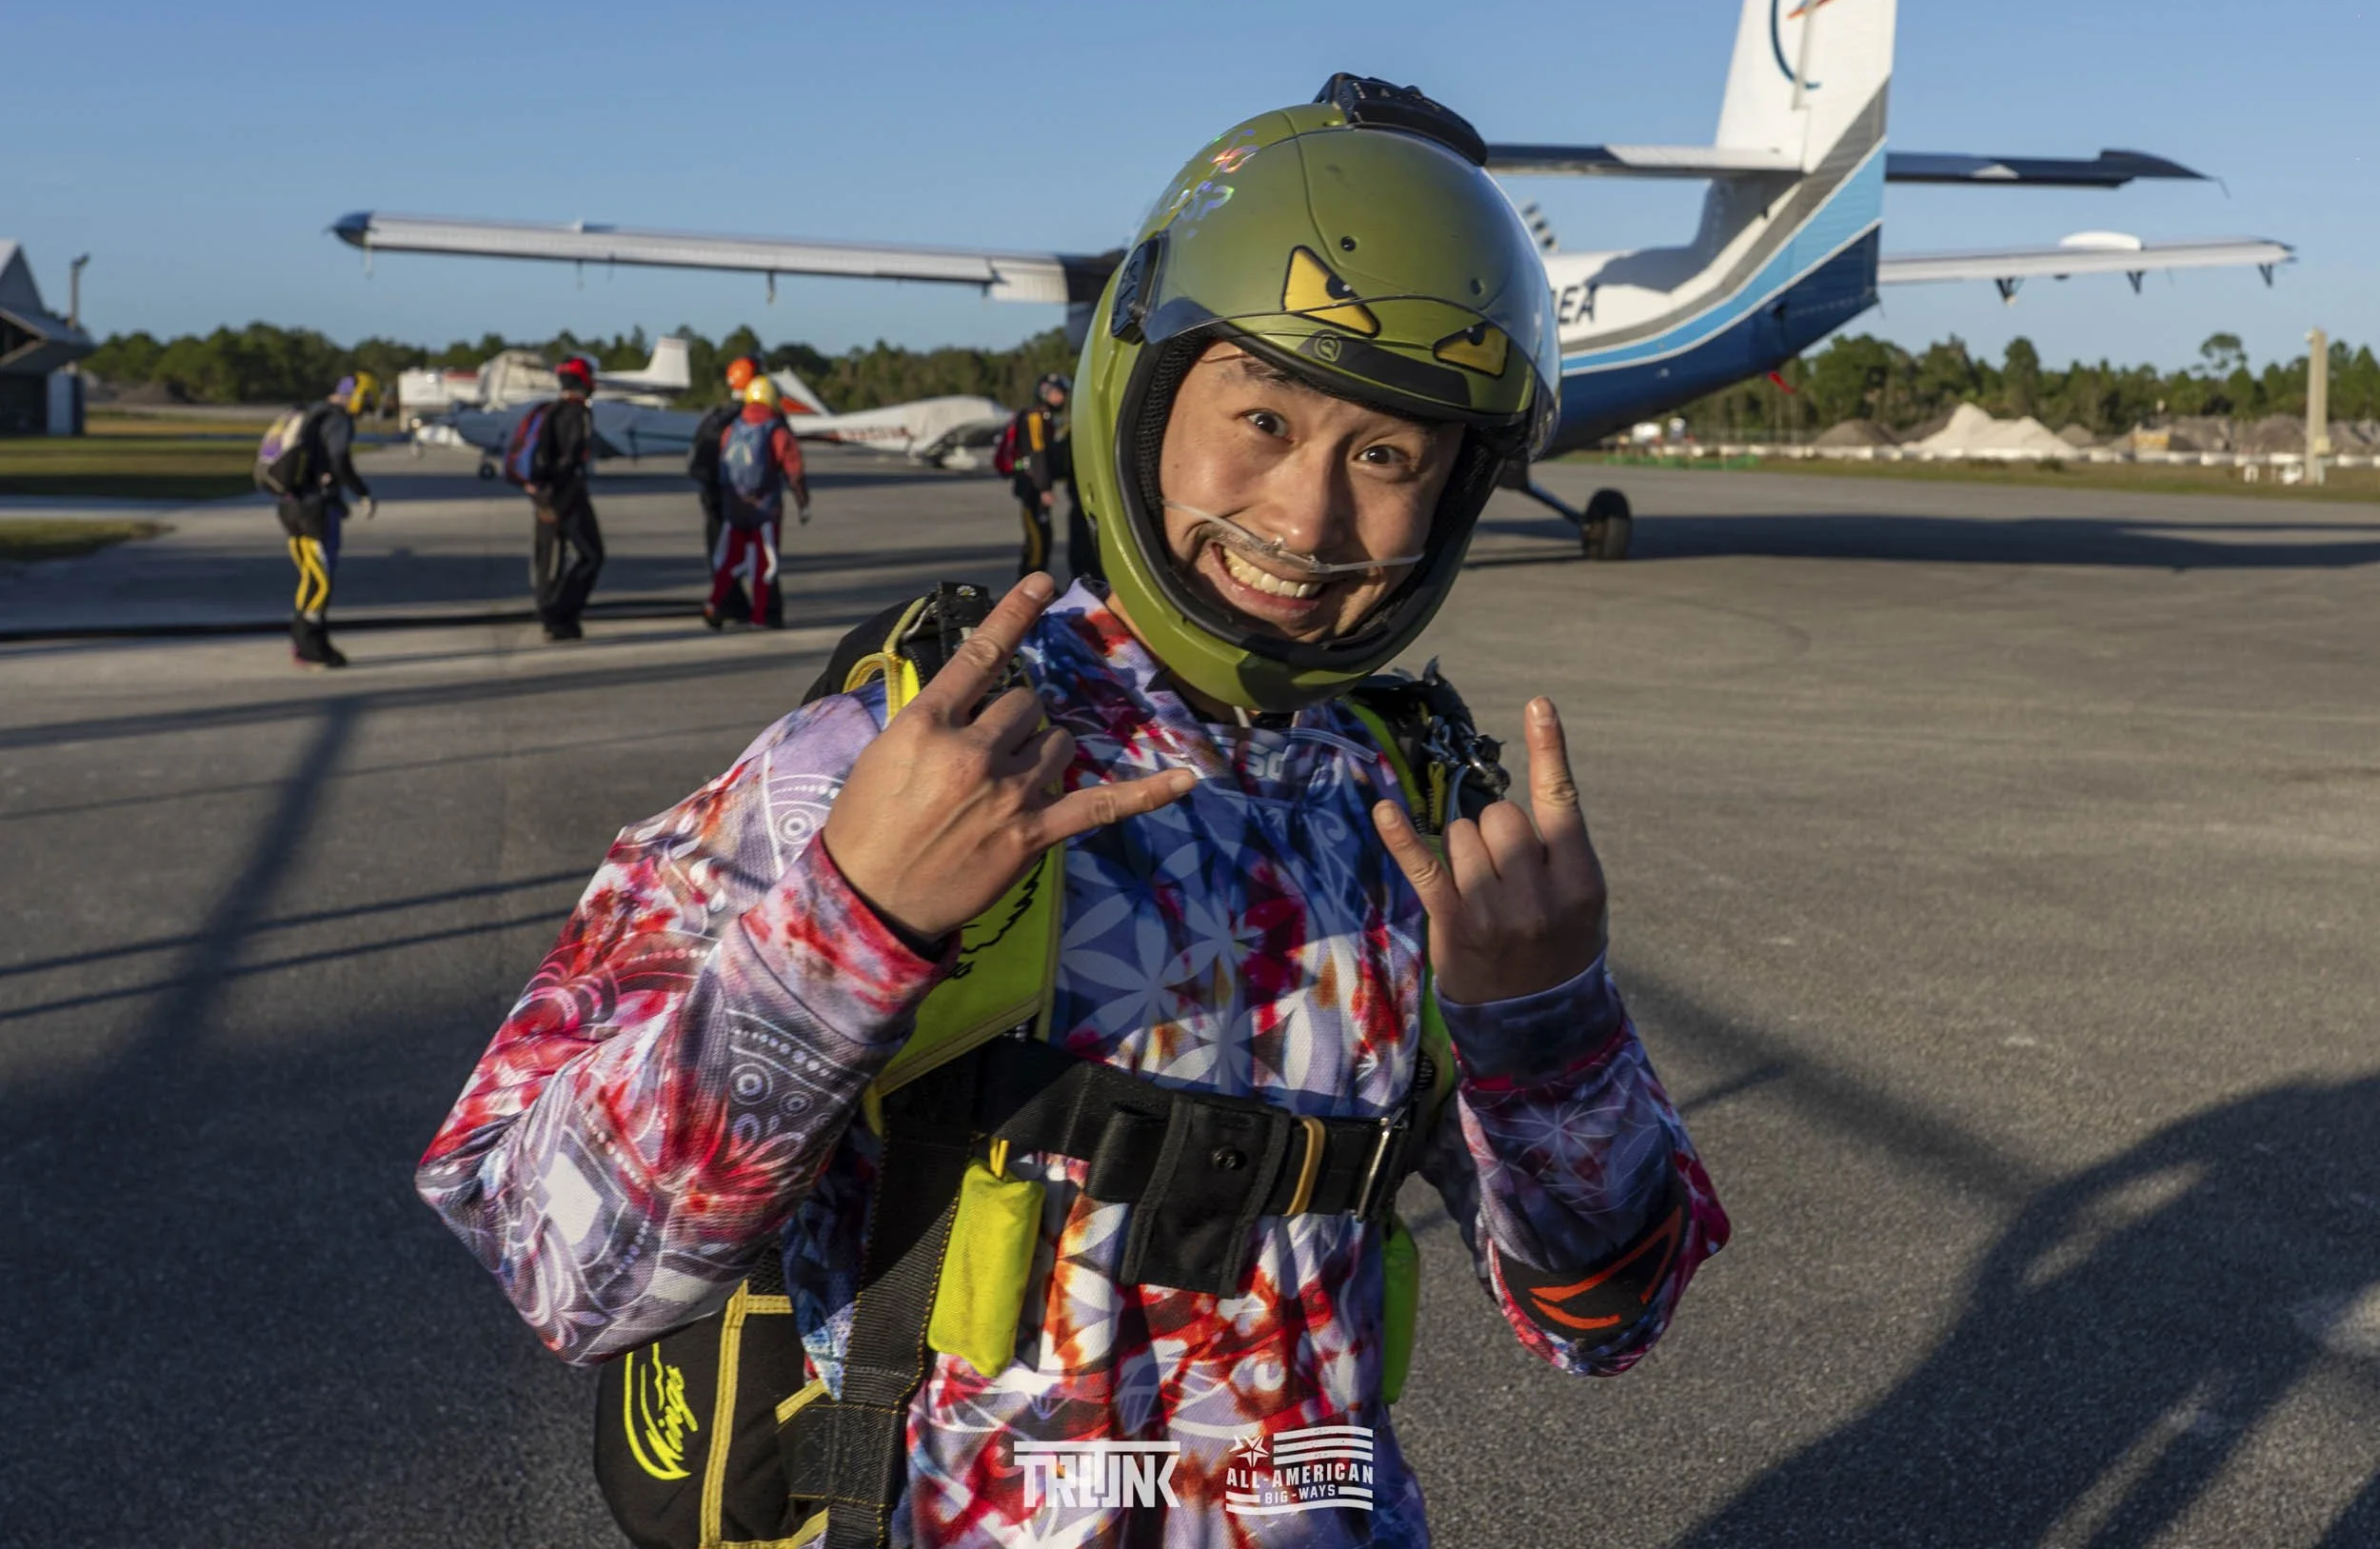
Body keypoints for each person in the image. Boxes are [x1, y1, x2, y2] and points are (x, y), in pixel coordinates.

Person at [421, 76, 1727, 1547]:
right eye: (1262, 418)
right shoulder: (903, 751)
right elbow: (545, 1249)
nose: (1306, 522)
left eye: (1387, 458)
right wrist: (845, 931)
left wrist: (1547, 1037)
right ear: (1148, 398)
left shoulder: (1411, 812)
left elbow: (1603, 1320)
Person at [274, 371, 378, 668]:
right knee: (321, 579)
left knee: (308, 576)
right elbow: (340, 459)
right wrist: (362, 492)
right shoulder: (337, 420)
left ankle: (303, 641)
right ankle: (310, 643)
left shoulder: (311, 413)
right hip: (316, 509)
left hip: (290, 506)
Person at [704, 372, 810, 630]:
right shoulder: (777, 430)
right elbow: (794, 472)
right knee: (764, 563)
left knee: (730, 559)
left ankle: (715, 603)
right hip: (765, 509)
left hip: (734, 506)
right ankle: (762, 616)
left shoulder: (733, 428)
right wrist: (803, 503)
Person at [527, 353, 605, 642]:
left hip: (543, 495)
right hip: (566, 495)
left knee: (549, 559)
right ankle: (560, 614)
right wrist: (563, 494)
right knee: (592, 555)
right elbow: (571, 458)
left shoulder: (550, 411)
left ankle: (550, 614)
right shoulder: (577, 413)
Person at [688, 354, 762, 618]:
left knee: (719, 550)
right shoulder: (750, 418)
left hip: (711, 492)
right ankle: (739, 606)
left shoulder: (716, 415)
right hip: (737, 496)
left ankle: (730, 603)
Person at [1006, 370, 1072, 580]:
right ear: (1044, 393)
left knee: (1045, 537)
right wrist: (1044, 488)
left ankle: (1037, 583)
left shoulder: (1046, 417)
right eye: (1056, 393)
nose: (1060, 398)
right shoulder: (1035, 417)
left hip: (1036, 484)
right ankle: (1029, 584)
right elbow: (1038, 452)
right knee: (1037, 540)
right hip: (1031, 486)